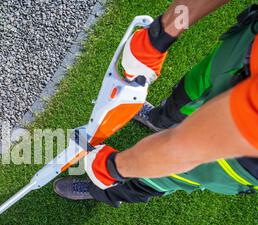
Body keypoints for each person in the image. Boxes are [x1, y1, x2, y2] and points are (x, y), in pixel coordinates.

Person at [53, 1, 258, 207]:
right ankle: (159, 121)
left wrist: (113, 167)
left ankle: (101, 187)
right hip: (246, 52)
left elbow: (182, 150)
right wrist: (161, 33)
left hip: (243, 156)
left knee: (165, 173)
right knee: (188, 95)